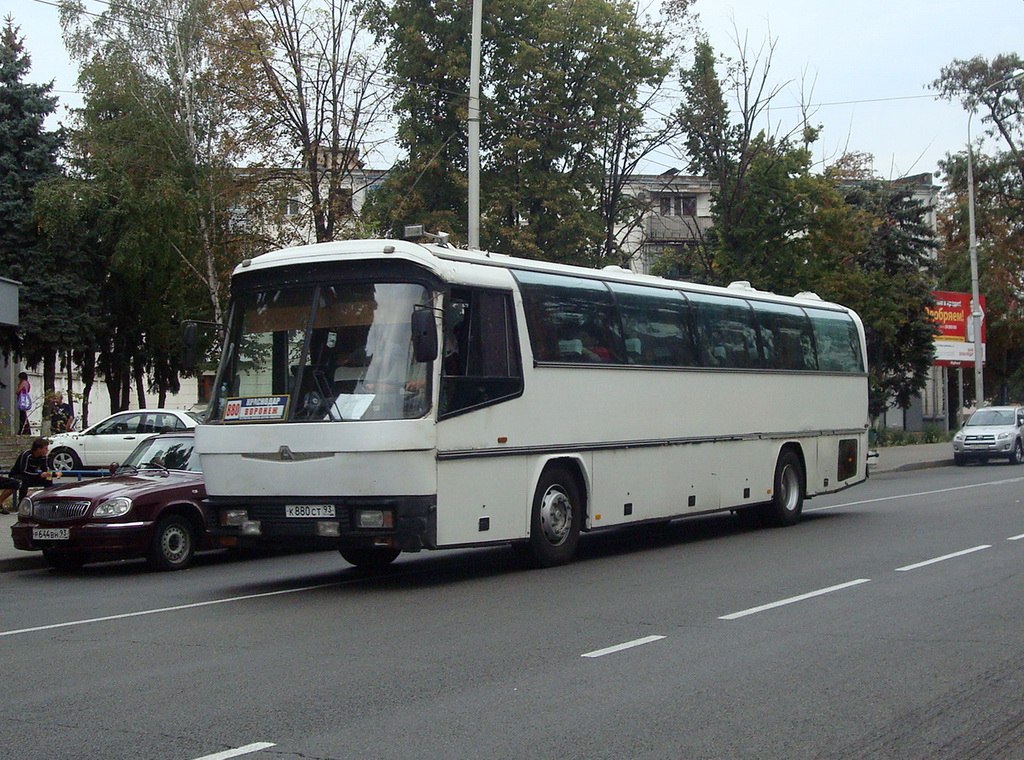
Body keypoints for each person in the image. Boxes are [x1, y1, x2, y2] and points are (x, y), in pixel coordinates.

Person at [0, 438, 57, 511]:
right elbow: (24, 470)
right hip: (19, 474)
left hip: (33, 475)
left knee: (48, 480)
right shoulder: (27, 455)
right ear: (39, 449)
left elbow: (45, 469)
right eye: (45, 448)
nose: (47, 450)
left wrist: (49, 474)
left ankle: (47, 501)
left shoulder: (43, 457)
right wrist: (39, 475)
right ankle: (21, 504)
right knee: (23, 481)